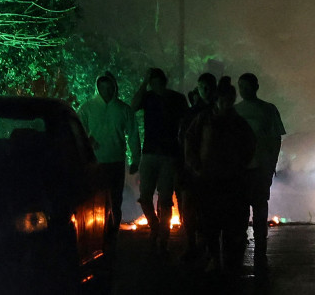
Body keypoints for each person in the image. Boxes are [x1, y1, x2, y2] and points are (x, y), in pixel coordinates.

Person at [185, 77, 255, 274]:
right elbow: (189, 141)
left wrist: (241, 165)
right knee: (210, 222)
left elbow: (250, 145)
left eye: (229, 100)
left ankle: (230, 260)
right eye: (223, 100)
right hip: (209, 178)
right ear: (217, 100)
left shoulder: (238, 123)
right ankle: (215, 257)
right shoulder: (204, 119)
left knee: (231, 222)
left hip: (232, 179)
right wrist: (195, 166)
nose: (226, 103)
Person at [77, 72, 140, 253]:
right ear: (97, 87)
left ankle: (112, 236)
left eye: (109, 86)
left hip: (116, 161)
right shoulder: (87, 108)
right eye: (103, 87)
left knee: (115, 199)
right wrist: (88, 142)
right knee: (96, 200)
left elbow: (133, 135)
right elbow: (79, 130)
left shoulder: (123, 109)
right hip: (95, 163)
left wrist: (136, 158)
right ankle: (99, 234)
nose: (106, 90)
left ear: (114, 87)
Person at [130, 67, 189, 253]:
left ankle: (163, 236)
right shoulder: (147, 97)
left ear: (164, 81)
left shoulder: (177, 98)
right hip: (149, 152)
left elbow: (186, 123)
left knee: (165, 199)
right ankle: (155, 226)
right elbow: (133, 105)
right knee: (145, 196)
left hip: (168, 154)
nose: (155, 85)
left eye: (157, 81)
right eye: (152, 82)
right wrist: (143, 82)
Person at [235, 72, 286, 270]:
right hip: (240, 168)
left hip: (259, 167)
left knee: (259, 207)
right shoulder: (235, 110)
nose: (244, 90)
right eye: (241, 86)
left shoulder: (268, 110)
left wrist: (271, 165)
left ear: (255, 87)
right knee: (241, 208)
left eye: (246, 86)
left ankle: (260, 245)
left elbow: (275, 140)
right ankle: (243, 242)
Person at [176, 72, 217, 262]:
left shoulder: (219, 111)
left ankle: (208, 248)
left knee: (209, 211)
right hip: (191, 169)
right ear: (198, 88)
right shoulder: (191, 113)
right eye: (203, 87)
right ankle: (192, 245)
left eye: (208, 87)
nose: (206, 91)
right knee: (189, 209)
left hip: (212, 171)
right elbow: (183, 140)